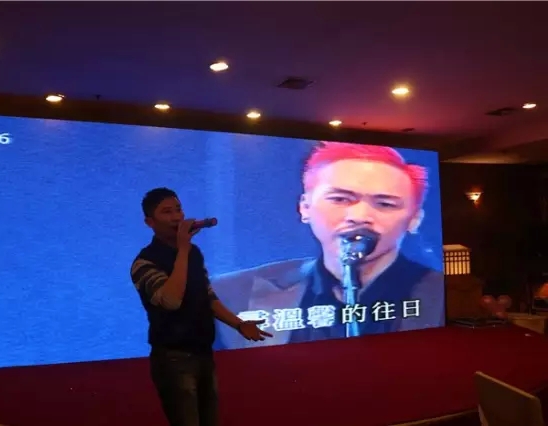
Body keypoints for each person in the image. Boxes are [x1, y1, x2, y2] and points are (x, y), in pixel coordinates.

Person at [211, 142, 445, 350]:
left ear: (415, 219)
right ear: (305, 207)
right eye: (340, 199)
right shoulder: (230, 292)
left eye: (384, 204)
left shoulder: (443, 294)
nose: (359, 216)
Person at [130, 187, 272, 426]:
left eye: (178, 210)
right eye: (167, 212)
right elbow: (171, 301)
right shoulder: (145, 262)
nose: (177, 217)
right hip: (173, 360)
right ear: (150, 222)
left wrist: (239, 324)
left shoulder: (193, 253)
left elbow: (207, 296)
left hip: (204, 353)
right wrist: (183, 250)